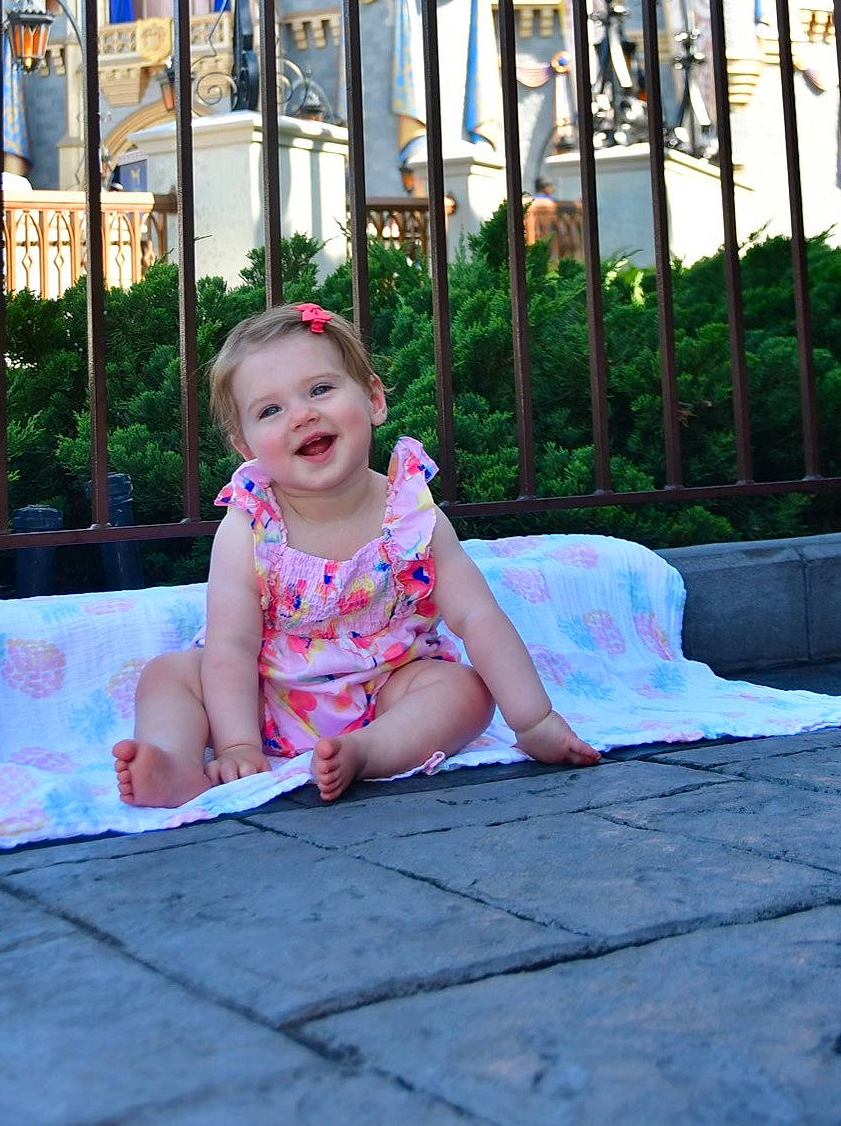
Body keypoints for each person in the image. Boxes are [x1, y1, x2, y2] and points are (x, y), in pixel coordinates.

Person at [113, 301, 599, 806]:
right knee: (170, 675)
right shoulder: (249, 528)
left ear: (373, 399)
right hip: (263, 698)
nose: (302, 414)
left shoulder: (410, 513)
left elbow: (477, 615)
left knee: (466, 692)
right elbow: (231, 647)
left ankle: (367, 751)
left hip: (387, 690)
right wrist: (237, 742)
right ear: (246, 446)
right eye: (270, 410)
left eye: (320, 389)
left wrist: (533, 718)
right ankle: (176, 763)